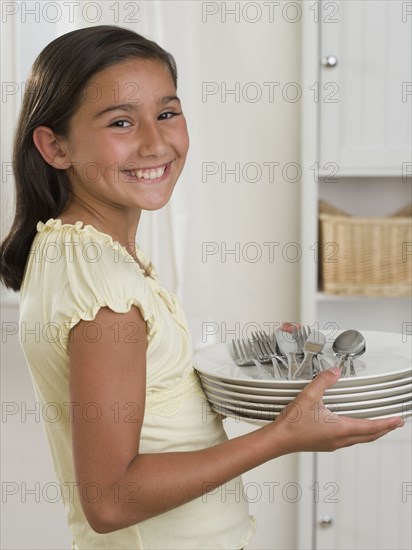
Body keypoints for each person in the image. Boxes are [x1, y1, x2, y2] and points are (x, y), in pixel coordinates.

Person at [0, 25, 404, 550]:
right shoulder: (104, 290)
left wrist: (252, 377)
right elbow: (111, 499)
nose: (155, 141)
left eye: (167, 113)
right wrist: (283, 438)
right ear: (55, 146)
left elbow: (151, 400)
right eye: (121, 121)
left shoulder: (72, 249)